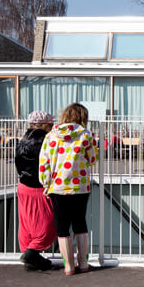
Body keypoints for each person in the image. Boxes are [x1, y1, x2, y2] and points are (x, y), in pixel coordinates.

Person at [38, 103, 98, 276]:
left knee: (62, 225)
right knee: (80, 222)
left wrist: (45, 183)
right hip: (80, 186)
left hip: (57, 186)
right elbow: (92, 159)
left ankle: (69, 266)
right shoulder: (86, 134)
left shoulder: (51, 135)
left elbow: (44, 162)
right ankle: (83, 263)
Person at [15, 110, 57, 271]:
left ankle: (30, 253)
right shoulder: (46, 140)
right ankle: (32, 252)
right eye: (51, 124)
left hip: (23, 186)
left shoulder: (23, 139)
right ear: (44, 125)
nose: (52, 126)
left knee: (27, 223)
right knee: (50, 222)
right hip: (38, 187)